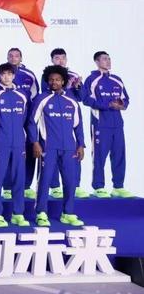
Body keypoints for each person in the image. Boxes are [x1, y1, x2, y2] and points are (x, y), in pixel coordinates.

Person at [29, 65, 85, 227]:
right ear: (47, 81)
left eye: (58, 80)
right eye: (51, 80)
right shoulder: (41, 99)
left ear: (63, 81)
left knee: (70, 181)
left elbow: (78, 125)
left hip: (69, 148)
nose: (54, 82)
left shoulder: (72, 101)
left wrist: (81, 145)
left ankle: (68, 213)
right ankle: (41, 213)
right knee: (45, 180)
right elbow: (32, 122)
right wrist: (35, 142)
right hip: (48, 147)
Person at [0, 48, 39, 201]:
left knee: (23, 163)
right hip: (2, 132)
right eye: (10, 55)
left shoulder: (27, 81)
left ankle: (24, 192)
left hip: (21, 128)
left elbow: (34, 99)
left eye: (16, 55)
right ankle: (4, 192)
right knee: (0, 168)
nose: (13, 58)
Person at [82, 51, 132, 198]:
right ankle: (98, 187)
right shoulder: (92, 79)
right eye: (104, 59)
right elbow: (86, 100)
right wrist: (108, 105)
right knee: (99, 156)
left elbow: (126, 99)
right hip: (100, 124)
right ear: (97, 62)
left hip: (117, 124)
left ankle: (118, 186)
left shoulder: (117, 80)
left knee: (119, 155)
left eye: (109, 59)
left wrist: (121, 104)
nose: (108, 61)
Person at [0, 63, 30, 228]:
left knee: (19, 177)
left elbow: (24, 118)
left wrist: (21, 137)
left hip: (18, 142)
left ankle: (18, 213)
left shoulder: (22, 95)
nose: (7, 77)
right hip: (0, 142)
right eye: (3, 74)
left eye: (10, 74)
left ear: (14, 76)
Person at [42, 47, 86, 199]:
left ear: (66, 59)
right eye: (57, 58)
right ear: (52, 60)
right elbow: (46, 92)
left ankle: (75, 185)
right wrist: (64, 87)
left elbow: (81, 97)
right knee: (51, 156)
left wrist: (77, 86)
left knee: (73, 153)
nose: (60, 61)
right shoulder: (48, 76)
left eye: (62, 58)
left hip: (69, 115)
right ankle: (55, 187)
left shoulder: (74, 76)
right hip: (53, 117)